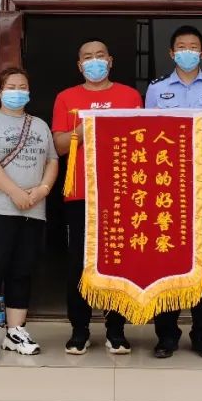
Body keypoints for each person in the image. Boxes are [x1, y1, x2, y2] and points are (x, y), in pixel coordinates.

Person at [145, 25, 202, 360]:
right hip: (166, 182)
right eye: (181, 47)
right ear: (172, 53)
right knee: (166, 256)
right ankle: (166, 335)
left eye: (193, 46)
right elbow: (145, 133)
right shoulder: (157, 89)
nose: (187, 52)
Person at [51, 38, 143, 355]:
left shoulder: (130, 96)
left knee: (117, 262)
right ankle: (79, 330)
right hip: (80, 193)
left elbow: (140, 139)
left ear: (110, 60)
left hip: (120, 192)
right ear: (80, 66)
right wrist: (81, 131)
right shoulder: (66, 98)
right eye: (87, 57)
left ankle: (116, 330)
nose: (94, 61)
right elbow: (59, 145)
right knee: (79, 264)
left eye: (100, 55)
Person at [0, 66, 58, 362]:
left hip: (33, 211)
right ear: (0, 92)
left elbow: (52, 160)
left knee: (22, 271)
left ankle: (15, 331)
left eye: (23, 87)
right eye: (12, 87)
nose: (18, 92)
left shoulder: (39, 125)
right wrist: (15, 192)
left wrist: (43, 189)